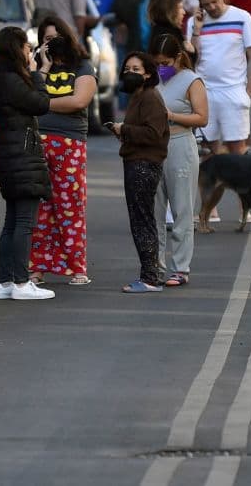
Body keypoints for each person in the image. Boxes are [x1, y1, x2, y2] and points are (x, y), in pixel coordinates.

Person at [0, 27, 56, 300]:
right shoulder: (12, 81)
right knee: (24, 222)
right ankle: (21, 282)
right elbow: (41, 103)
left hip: (8, 154)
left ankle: (5, 282)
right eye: (26, 47)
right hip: (23, 155)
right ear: (17, 48)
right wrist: (37, 71)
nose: (28, 51)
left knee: (11, 222)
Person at [28, 16, 97, 286]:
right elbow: (29, 94)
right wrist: (42, 68)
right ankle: (37, 267)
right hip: (38, 139)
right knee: (39, 208)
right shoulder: (36, 66)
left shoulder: (82, 66)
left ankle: (76, 266)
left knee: (70, 206)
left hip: (69, 143)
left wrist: (42, 102)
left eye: (56, 38)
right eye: (46, 39)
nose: (52, 43)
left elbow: (79, 100)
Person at [108, 52, 169, 293]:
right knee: (140, 219)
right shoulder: (138, 96)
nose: (130, 73)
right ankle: (150, 273)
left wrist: (125, 129)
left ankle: (150, 277)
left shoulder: (151, 97)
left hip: (144, 164)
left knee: (142, 220)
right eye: (127, 69)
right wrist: (122, 131)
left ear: (148, 74)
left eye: (136, 69)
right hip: (135, 161)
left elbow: (154, 133)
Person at [150, 34, 208, 287]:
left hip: (180, 144)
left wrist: (171, 115)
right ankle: (155, 264)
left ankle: (180, 267)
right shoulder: (152, 80)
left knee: (182, 208)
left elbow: (202, 118)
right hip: (153, 146)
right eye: (156, 62)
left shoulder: (191, 81)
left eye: (165, 62)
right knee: (154, 210)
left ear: (177, 58)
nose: (161, 67)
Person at [186, 0, 251, 155]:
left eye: (215, 1)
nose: (212, 7)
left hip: (234, 91)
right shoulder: (193, 22)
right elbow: (191, 60)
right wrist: (197, 30)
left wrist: (248, 93)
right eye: (206, 4)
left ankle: (238, 184)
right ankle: (216, 184)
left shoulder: (241, 17)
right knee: (209, 151)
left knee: (237, 149)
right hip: (205, 94)